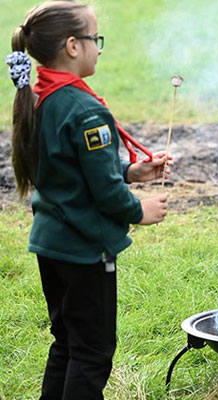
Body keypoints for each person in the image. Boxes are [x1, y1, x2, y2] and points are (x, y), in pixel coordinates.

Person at [6, 1, 171, 398]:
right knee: (92, 353)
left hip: (51, 243)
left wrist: (130, 171)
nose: (98, 47)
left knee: (66, 344)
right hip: (83, 251)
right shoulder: (83, 109)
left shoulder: (41, 96)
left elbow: (68, 169)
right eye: (95, 39)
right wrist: (139, 209)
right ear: (72, 47)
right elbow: (106, 193)